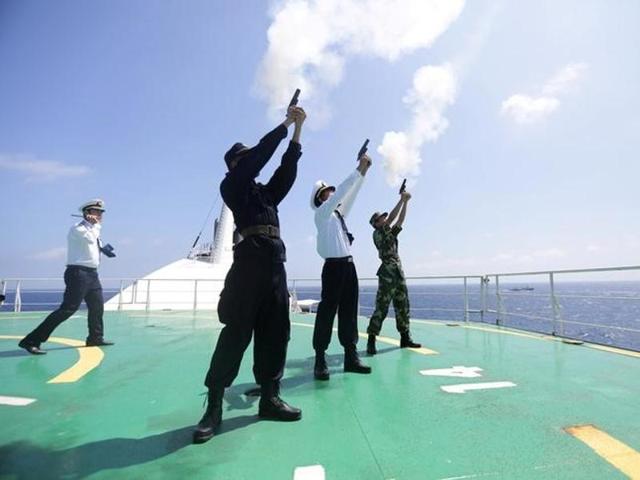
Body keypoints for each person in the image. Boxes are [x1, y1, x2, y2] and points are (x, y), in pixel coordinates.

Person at [193, 105, 306, 444]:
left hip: (275, 265)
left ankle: (269, 398)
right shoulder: (232, 186)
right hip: (248, 267)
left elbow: (286, 171)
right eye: (243, 158)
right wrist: (285, 123)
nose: (249, 162)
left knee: (276, 332)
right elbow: (259, 157)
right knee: (236, 332)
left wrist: (298, 130)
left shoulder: (264, 194)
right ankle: (214, 405)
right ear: (234, 165)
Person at [19, 199, 115, 355]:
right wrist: (94, 225)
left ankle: (95, 337)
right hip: (78, 273)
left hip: (92, 274)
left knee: (97, 306)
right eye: (97, 212)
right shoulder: (78, 229)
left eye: (101, 212)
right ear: (87, 213)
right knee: (68, 309)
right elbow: (90, 238)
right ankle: (31, 340)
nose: (100, 215)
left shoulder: (93, 231)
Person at [310, 153, 373, 381]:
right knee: (327, 312)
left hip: (348, 267)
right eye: (328, 192)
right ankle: (320, 359)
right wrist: (357, 169)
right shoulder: (322, 214)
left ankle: (350, 356)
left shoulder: (337, 215)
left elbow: (351, 194)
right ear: (321, 198)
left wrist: (363, 172)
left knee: (349, 311)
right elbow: (344, 191)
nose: (332, 194)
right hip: (333, 269)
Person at [366, 191, 421, 354]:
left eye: (383, 217)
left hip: (398, 271)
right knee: (381, 307)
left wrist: (406, 202)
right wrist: (401, 199)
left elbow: (400, 220)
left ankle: (405, 338)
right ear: (375, 223)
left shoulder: (388, 232)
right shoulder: (377, 233)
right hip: (387, 274)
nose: (384, 219)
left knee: (403, 305)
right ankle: (371, 340)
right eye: (380, 218)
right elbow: (392, 218)